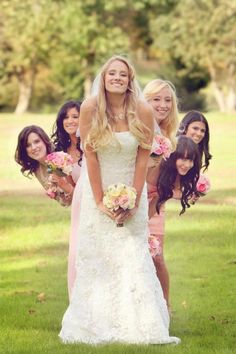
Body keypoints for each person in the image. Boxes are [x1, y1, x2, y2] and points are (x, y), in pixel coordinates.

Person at [59, 55, 180, 345]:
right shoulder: (90, 109)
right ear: (103, 78)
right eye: (111, 73)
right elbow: (90, 156)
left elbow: (142, 159)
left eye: (122, 75)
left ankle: (139, 325)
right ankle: (93, 324)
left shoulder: (142, 110)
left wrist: (134, 200)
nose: (117, 78)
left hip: (131, 186)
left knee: (132, 256)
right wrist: (100, 201)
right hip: (96, 188)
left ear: (129, 80)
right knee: (98, 256)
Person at [143, 79, 179, 310]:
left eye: (167, 100)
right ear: (145, 102)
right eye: (156, 99)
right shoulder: (138, 129)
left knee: (156, 257)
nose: (163, 105)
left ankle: (164, 308)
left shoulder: (171, 137)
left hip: (156, 203)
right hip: (132, 200)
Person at [51, 101, 84, 297]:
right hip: (79, 210)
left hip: (97, 204)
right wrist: (61, 185)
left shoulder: (91, 144)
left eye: (75, 116)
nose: (70, 121)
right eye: (66, 117)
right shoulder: (61, 153)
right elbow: (72, 195)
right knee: (77, 256)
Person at [15, 125, 74, 206]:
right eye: (28, 145)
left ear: (44, 141)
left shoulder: (62, 157)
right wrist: (59, 196)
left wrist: (63, 185)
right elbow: (65, 203)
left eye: (37, 141)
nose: (34, 147)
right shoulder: (37, 169)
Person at [147, 135, 200, 219]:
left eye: (191, 160)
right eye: (184, 159)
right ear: (173, 157)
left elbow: (150, 212)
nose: (187, 165)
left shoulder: (172, 179)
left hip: (148, 212)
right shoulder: (155, 166)